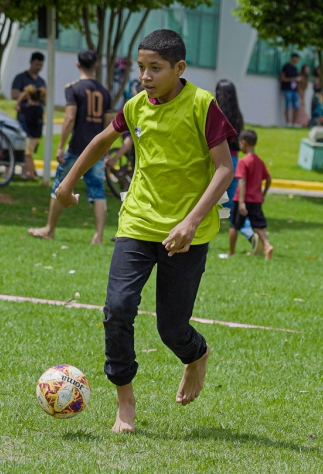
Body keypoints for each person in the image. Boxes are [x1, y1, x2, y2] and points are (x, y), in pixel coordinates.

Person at [51, 29, 236, 433]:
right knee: (117, 309)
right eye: (141, 67)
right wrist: (67, 182)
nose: (146, 76)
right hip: (137, 222)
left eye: (156, 68)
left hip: (186, 234)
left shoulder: (202, 105)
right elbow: (102, 140)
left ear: (179, 68)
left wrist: (190, 222)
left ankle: (196, 353)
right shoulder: (136, 106)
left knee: (172, 329)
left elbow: (225, 169)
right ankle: (125, 402)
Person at [29, 51, 111, 244]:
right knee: (97, 190)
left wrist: (60, 146)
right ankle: (98, 236)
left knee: (60, 185)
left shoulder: (74, 89)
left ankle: (49, 230)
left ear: (77, 64)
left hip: (77, 146)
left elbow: (69, 118)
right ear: (96, 65)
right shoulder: (104, 92)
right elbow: (108, 124)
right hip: (96, 149)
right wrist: (105, 150)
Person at [215, 79, 253, 243]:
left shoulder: (216, 114)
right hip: (234, 161)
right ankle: (251, 232)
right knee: (229, 204)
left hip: (217, 162)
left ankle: (200, 242)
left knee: (206, 203)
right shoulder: (238, 115)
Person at [228, 129, 273, 259]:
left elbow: (242, 181)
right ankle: (267, 245)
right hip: (256, 200)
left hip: (242, 199)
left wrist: (241, 202)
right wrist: (263, 194)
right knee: (258, 226)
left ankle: (231, 252)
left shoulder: (243, 162)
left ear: (243, 142)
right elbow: (269, 179)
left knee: (234, 226)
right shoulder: (259, 161)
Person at [16, 83, 46, 180]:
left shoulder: (27, 108)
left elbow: (16, 107)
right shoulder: (40, 108)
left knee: (27, 156)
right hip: (37, 135)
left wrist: (22, 96)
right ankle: (31, 173)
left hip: (30, 136)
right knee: (29, 155)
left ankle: (32, 175)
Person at [279, 53, 301, 126]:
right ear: (293, 58)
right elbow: (282, 78)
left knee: (296, 106)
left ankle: (295, 123)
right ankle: (288, 122)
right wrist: (292, 79)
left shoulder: (295, 69)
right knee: (287, 105)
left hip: (294, 90)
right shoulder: (286, 67)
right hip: (287, 89)